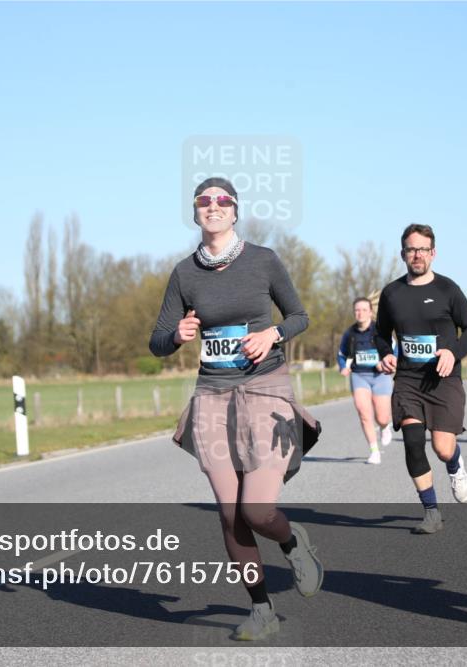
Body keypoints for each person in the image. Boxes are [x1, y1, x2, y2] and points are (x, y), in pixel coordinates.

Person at [151, 177, 323, 639]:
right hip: (212, 397)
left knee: (257, 509)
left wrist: (273, 334)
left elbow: (300, 316)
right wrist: (177, 336)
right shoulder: (184, 274)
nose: (212, 207)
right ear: (194, 213)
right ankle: (261, 609)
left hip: (265, 390)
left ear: (234, 211)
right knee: (229, 514)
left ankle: (291, 541)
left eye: (221, 201)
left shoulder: (264, 260)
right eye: (203, 201)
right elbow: (157, 341)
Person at [375, 224, 467, 534]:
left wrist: (453, 352)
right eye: (411, 249)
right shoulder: (392, 293)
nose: (417, 254)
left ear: (433, 253)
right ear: (402, 254)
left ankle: (455, 465)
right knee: (412, 444)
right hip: (408, 380)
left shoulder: (448, 290)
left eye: (422, 249)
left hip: (443, 380)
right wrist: (385, 353)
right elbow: (381, 334)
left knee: (443, 448)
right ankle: (431, 512)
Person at [338, 295, 394, 464]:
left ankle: (385, 427)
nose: (360, 313)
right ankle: (374, 451)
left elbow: (395, 350)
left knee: (382, 417)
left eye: (364, 310)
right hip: (359, 375)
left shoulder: (380, 330)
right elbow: (341, 354)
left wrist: (384, 363)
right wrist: (343, 367)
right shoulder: (350, 334)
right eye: (357, 310)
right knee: (364, 413)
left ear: (370, 312)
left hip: (380, 376)